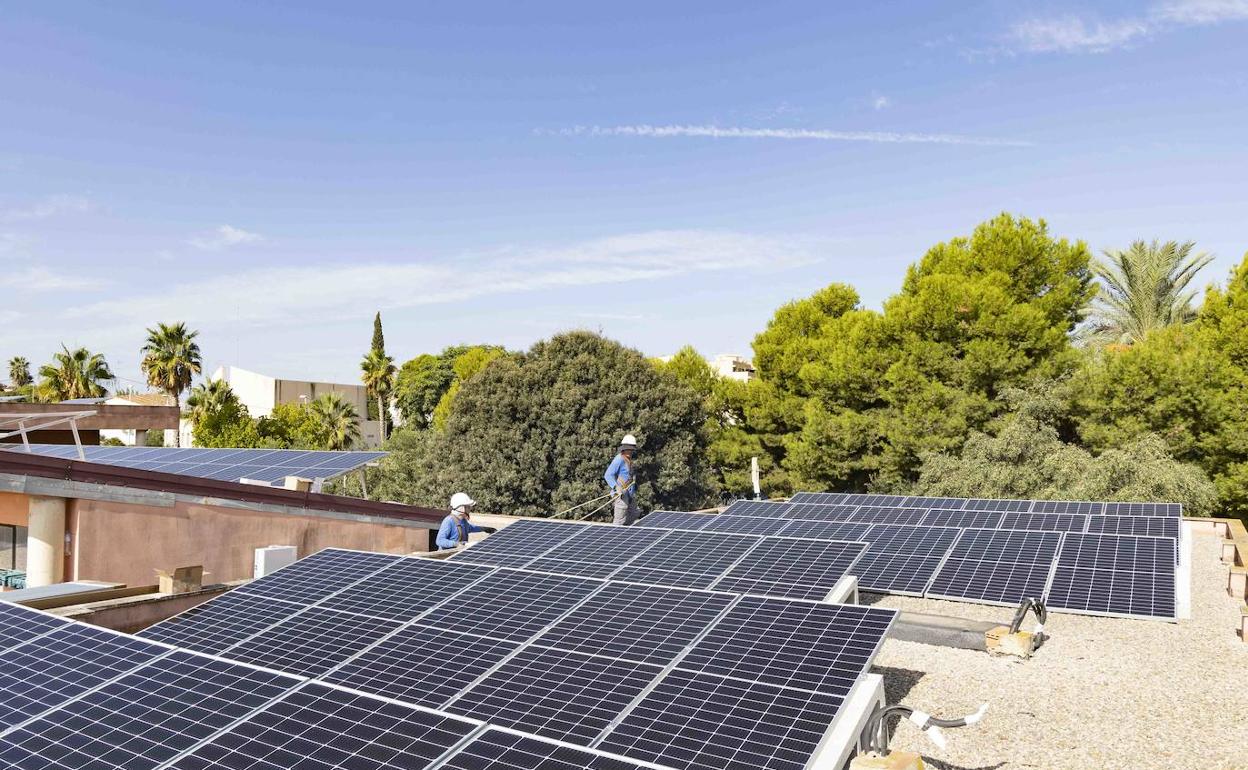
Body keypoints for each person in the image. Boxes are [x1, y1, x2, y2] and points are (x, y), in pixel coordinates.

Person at [604, 434, 639, 526]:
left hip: (629, 493)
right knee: (619, 521)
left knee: (635, 513)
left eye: (631, 449)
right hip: (621, 494)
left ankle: (624, 532)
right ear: (623, 448)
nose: (630, 451)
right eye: (628, 449)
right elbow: (608, 475)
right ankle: (616, 534)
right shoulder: (619, 459)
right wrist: (616, 487)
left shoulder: (629, 459)